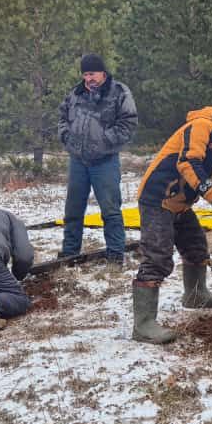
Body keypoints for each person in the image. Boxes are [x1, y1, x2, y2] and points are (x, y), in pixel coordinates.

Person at [131, 105, 212, 344]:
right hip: (158, 199)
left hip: (180, 203)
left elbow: (209, 175)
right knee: (157, 257)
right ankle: (143, 325)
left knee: (196, 248)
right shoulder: (202, 126)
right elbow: (189, 164)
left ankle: (196, 296)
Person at [57, 53, 137, 266]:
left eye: (91, 73)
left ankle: (115, 255)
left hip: (105, 161)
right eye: (85, 74)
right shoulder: (75, 93)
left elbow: (128, 123)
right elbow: (62, 117)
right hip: (78, 161)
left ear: (102, 72)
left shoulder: (119, 92)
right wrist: (66, 136)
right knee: (73, 210)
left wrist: (105, 141)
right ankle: (69, 253)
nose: (88, 78)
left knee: (110, 210)